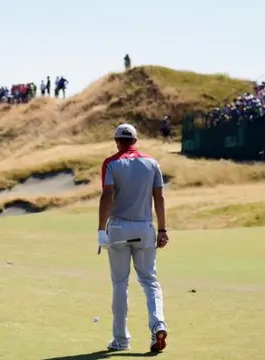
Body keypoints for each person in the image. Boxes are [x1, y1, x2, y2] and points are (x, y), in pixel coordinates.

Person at [97, 123, 169, 353]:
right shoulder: (152, 163)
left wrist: (100, 229)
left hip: (118, 228)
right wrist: (163, 229)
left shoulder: (111, 163)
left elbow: (106, 196)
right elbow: (159, 198)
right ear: (135, 141)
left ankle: (121, 339)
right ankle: (158, 324)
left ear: (117, 141)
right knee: (149, 281)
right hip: (145, 228)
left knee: (120, 284)